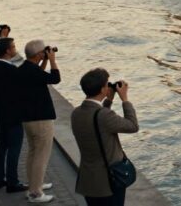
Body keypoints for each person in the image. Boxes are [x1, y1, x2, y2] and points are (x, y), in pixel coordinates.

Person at [71, 69, 139, 206]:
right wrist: (125, 99)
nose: (109, 87)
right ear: (103, 89)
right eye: (107, 84)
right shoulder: (104, 116)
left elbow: (97, 121)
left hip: (87, 180)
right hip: (108, 182)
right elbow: (132, 126)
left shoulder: (76, 113)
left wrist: (108, 100)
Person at [17, 39, 61, 203]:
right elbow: (54, 79)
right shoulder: (33, 71)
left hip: (28, 118)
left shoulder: (25, 68)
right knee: (41, 156)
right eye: (44, 51)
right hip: (40, 119)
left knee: (33, 153)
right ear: (38, 54)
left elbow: (40, 77)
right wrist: (52, 61)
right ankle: (36, 193)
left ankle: (35, 184)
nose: (47, 53)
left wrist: (43, 61)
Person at [0, 37, 28, 193]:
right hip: (13, 113)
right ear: (7, 51)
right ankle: (13, 182)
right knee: (14, 148)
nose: (15, 48)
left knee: (1, 146)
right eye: (13, 46)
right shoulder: (12, 71)